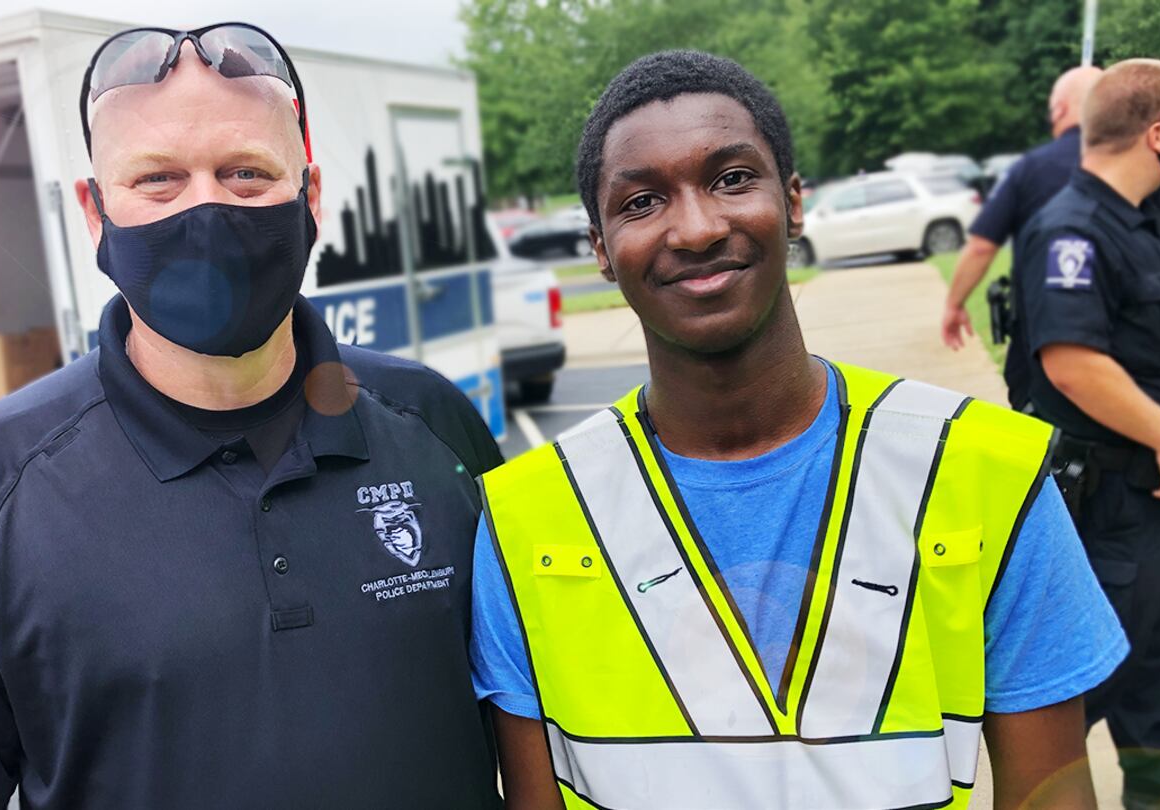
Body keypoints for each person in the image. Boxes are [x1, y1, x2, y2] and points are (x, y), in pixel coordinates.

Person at [0, 23, 504, 808]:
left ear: (309, 198)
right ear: (95, 212)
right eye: (158, 179)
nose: (206, 208)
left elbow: (542, 717)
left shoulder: (433, 425)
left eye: (246, 173)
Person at [470, 50, 1126, 809]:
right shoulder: (524, 519)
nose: (696, 228)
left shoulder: (985, 471)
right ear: (601, 250)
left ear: (792, 203)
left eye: (731, 179)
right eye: (642, 201)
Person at [1017, 58, 1160, 810]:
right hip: (1113, 501)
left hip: (1158, 499)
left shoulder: (1145, 219)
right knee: (1088, 684)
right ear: (1159, 134)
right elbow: (1072, 361)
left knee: (1154, 671)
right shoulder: (1072, 229)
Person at [942, 65, 1160, 411]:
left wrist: (955, 305)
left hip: (1041, 346)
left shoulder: (1029, 169)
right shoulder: (1139, 162)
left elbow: (982, 246)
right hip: (1124, 362)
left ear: (1058, 111)